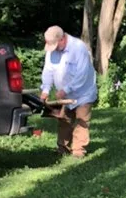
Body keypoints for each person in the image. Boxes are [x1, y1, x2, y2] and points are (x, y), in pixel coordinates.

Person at [40, 26, 98, 158]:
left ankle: (78, 150)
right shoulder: (52, 51)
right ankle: (62, 148)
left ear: (62, 39)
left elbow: (82, 74)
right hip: (65, 95)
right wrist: (46, 89)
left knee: (81, 120)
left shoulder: (78, 48)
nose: (53, 49)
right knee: (64, 120)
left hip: (83, 93)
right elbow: (48, 71)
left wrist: (66, 90)